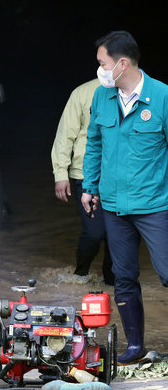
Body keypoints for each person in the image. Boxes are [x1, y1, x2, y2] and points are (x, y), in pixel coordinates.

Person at [81, 31, 168, 365]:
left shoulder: (161, 97)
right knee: (123, 276)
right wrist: (90, 187)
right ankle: (135, 345)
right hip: (114, 207)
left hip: (155, 205)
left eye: (102, 63)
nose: (99, 69)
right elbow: (94, 143)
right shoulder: (103, 97)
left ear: (122, 63)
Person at [51, 78, 114, 285]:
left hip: (122, 176)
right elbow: (65, 134)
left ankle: (111, 281)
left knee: (119, 231)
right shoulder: (82, 92)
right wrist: (61, 173)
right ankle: (81, 273)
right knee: (95, 232)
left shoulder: (135, 91)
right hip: (86, 174)